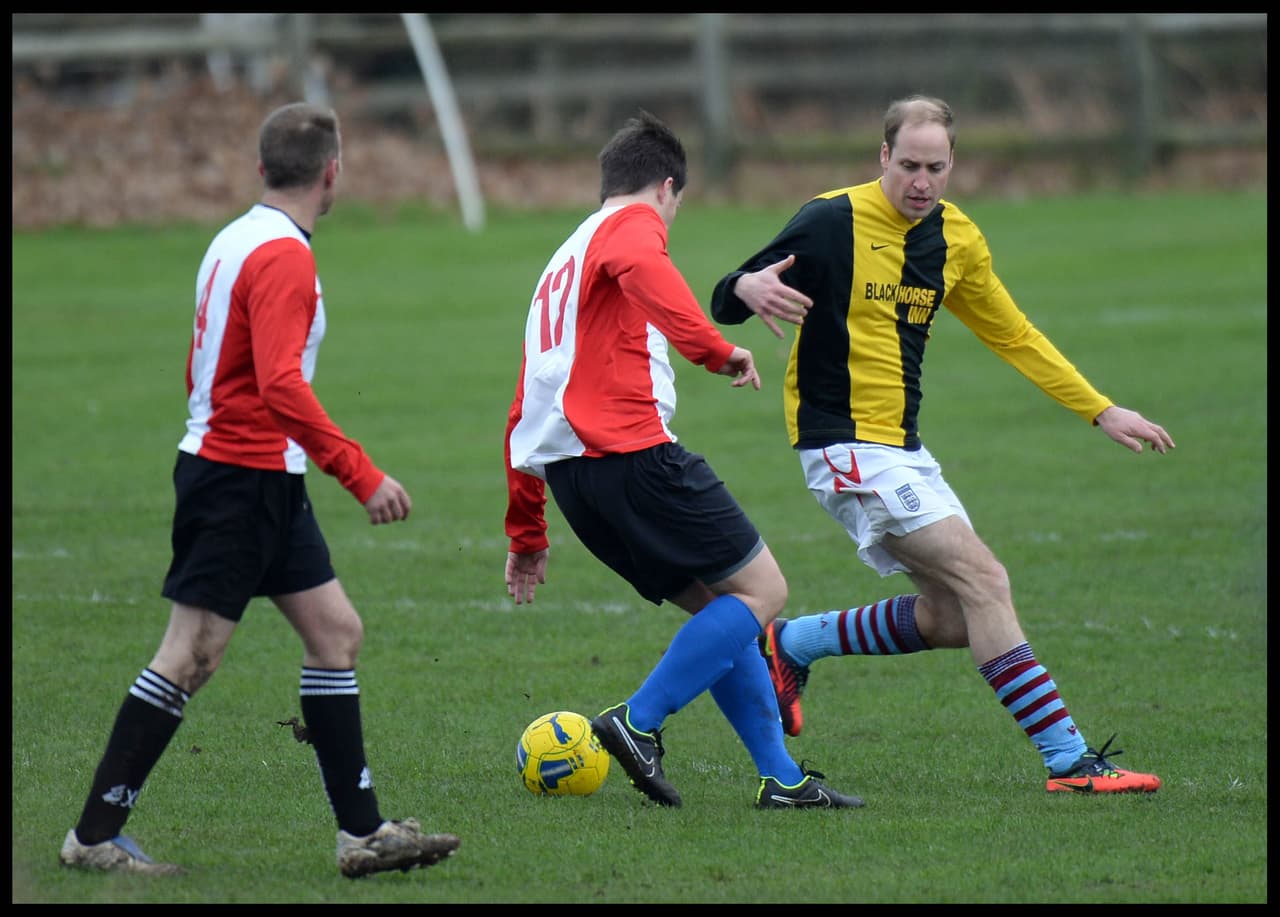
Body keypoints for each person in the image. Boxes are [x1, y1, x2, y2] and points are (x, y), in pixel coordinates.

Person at [710, 94, 1174, 794]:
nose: (921, 182)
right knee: (986, 581)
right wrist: (747, 286)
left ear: (953, 164)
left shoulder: (957, 239)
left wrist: (1100, 409)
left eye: (936, 168)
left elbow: (1013, 334)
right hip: (842, 445)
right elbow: (726, 295)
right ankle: (1069, 760)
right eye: (908, 165)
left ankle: (793, 642)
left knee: (953, 615)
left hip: (902, 446)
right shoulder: (832, 220)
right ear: (883, 156)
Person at [59, 102, 461, 878]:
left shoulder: (236, 237)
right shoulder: (284, 257)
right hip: (237, 478)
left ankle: (362, 833)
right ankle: (93, 835)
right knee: (191, 654)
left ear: (261, 168)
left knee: (335, 633)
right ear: (332, 172)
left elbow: (216, 366)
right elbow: (279, 382)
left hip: (263, 474)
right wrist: (360, 472)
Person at [503, 110, 863, 810]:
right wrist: (715, 349)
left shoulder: (561, 263)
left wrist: (527, 530)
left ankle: (782, 778)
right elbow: (645, 264)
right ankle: (637, 721)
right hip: (633, 457)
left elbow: (523, 405)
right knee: (764, 592)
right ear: (667, 188)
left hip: (576, 482)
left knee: (725, 615)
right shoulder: (631, 225)